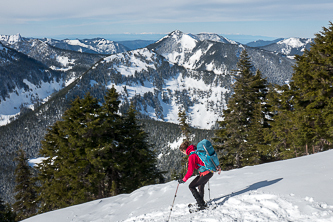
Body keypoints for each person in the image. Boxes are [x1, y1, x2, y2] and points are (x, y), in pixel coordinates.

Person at [178, 140, 221, 210]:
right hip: (209, 172)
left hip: (206, 173)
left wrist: (183, 179)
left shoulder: (192, 156)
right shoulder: (196, 150)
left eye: (182, 152)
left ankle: (201, 205)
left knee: (191, 186)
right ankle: (200, 203)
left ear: (184, 150)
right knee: (200, 185)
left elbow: (190, 171)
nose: (184, 154)